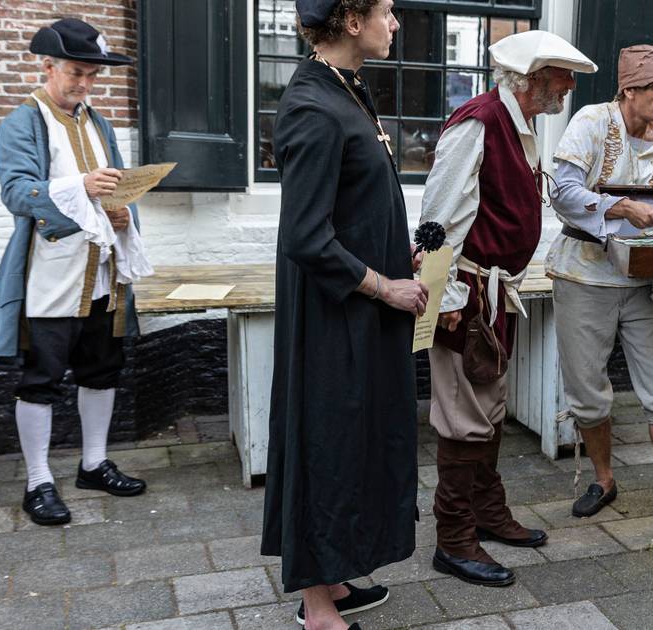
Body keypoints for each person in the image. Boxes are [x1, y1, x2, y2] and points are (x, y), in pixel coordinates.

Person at [259, 2, 428, 629]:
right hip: (335, 322)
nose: (396, 22)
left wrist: (393, 247)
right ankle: (317, 607)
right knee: (326, 444)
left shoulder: (346, 90)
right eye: (386, 10)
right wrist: (385, 286)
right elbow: (305, 235)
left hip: (363, 314)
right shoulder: (311, 106)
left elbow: (350, 206)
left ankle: (330, 575)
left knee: (355, 444)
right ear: (351, 20)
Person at [420, 30, 597, 587]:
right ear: (532, 78)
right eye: (562, 75)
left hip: (495, 295)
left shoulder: (521, 128)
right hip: (467, 294)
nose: (569, 86)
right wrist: (446, 297)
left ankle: (486, 513)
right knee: (462, 411)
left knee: (488, 406)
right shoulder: (478, 122)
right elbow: (439, 216)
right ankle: (452, 537)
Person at [0, 18, 152, 526]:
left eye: (94, 75)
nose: (86, 84)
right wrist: (82, 188)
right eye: (78, 72)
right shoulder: (22, 121)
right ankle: (38, 481)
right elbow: (17, 193)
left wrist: (122, 211)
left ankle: (93, 464)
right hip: (50, 277)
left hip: (103, 273)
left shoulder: (101, 124)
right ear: (48, 66)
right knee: (41, 379)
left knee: (102, 369)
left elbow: (115, 188)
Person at [546, 44, 653, 548]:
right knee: (588, 391)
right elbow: (563, 193)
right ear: (629, 90)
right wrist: (621, 207)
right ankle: (604, 478)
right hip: (585, 276)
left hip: (644, 283)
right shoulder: (591, 122)